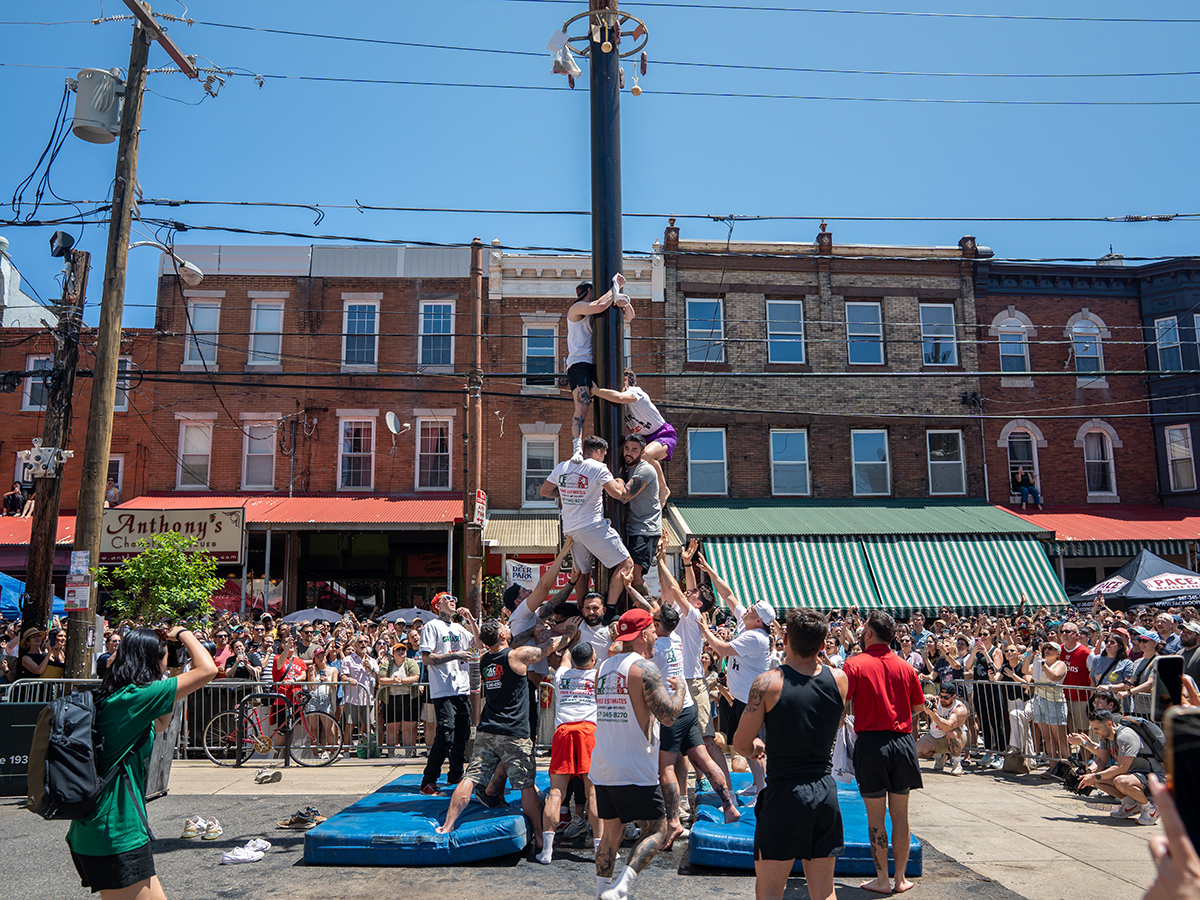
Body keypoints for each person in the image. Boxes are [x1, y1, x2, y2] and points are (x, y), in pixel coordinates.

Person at [65, 626, 217, 897]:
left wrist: (165, 678)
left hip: (96, 832)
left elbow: (160, 723)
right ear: (149, 660)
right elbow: (208, 670)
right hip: (117, 834)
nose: (166, 661)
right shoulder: (134, 698)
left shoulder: (120, 697)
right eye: (163, 657)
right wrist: (183, 633)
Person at [733, 609, 850, 900]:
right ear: (824, 644)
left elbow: (740, 743)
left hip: (785, 792)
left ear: (784, 639)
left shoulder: (768, 683)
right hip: (824, 791)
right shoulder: (840, 680)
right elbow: (833, 720)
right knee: (824, 891)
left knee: (770, 891)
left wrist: (755, 748)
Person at [437, 614, 576, 849]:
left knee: (471, 778)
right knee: (526, 785)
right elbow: (546, 648)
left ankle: (448, 825)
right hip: (514, 732)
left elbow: (508, 640)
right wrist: (570, 634)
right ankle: (541, 838)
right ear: (502, 635)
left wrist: (527, 632)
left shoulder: (485, 659)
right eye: (505, 628)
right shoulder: (517, 656)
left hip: (488, 729)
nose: (508, 628)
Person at [592, 608, 685, 900]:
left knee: (610, 833)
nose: (656, 634)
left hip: (604, 762)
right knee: (658, 830)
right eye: (653, 630)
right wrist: (681, 690)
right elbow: (669, 715)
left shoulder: (603, 666)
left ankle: (600, 892)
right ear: (644, 634)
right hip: (633, 765)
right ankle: (622, 887)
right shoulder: (644, 669)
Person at [843, 610, 925, 895]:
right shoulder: (905, 666)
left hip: (872, 744)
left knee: (875, 818)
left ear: (868, 634)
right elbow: (918, 707)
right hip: (902, 742)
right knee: (900, 815)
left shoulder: (854, 664)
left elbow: (842, 703)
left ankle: (882, 879)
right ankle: (900, 878)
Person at [652, 603, 740, 847]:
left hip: (672, 712)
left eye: (653, 621)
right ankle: (729, 806)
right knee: (705, 761)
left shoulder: (656, 648)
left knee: (666, 768)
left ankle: (673, 822)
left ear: (658, 625)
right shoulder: (677, 640)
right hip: (688, 707)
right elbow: (657, 612)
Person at [695, 552, 775, 800]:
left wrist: (705, 630)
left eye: (752, 609)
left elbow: (721, 649)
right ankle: (757, 785)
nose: (747, 608)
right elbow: (728, 594)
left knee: (753, 747)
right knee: (744, 745)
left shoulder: (757, 637)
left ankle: (762, 791)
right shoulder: (747, 624)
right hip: (740, 697)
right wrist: (710, 572)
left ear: (759, 619)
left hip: (753, 700)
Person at [540, 435, 634, 614]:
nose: (604, 458)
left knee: (582, 573)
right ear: (598, 453)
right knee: (626, 563)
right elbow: (617, 493)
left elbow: (544, 491)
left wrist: (570, 492)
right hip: (591, 526)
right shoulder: (598, 467)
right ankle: (611, 610)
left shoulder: (563, 466)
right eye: (604, 455)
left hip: (571, 529)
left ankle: (582, 614)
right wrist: (620, 481)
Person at [539, 640, 603, 863]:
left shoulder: (561, 676)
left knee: (556, 792)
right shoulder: (598, 676)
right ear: (593, 661)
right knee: (593, 792)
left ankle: (547, 851)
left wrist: (570, 638)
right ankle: (598, 850)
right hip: (588, 732)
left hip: (564, 732)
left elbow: (566, 659)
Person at [565, 277, 635, 464]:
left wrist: (622, 299)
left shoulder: (600, 309)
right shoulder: (577, 308)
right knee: (583, 406)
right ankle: (577, 449)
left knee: (615, 398)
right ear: (589, 292)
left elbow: (629, 317)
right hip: (580, 363)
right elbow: (597, 305)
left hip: (600, 363)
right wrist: (616, 287)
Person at [591, 370, 677, 506]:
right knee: (636, 458)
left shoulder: (636, 392)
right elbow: (628, 430)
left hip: (663, 433)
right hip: (643, 439)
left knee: (645, 455)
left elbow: (619, 397)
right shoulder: (622, 410)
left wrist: (595, 390)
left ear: (625, 380)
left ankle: (662, 489)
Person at [419, 592, 474, 793]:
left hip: (462, 686)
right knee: (446, 733)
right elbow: (426, 657)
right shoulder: (432, 626)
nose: (452, 601)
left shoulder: (460, 628)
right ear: (438, 606)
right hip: (443, 688)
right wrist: (454, 655)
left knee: (463, 732)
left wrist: (471, 620)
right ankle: (429, 780)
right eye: (447, 599)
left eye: (454, 598)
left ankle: (455, 774)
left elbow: (478, 643)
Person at [1071, 709, 1163, 826]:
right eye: (1092, 728)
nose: (1094, 732)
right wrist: (1088, 772)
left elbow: (1121, 768)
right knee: (1096, 780)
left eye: (1096, 728)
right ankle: (1131, 805)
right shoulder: (1105, 736)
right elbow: (1101, 760)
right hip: (1135, 775)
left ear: (1109, 723)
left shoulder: (1125, 736)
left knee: (1120, 781)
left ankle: (1150, 808)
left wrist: (1095, 776)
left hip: (1154, 777)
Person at [616, 435, 663, 590]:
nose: (629, 453)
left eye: (634, 450)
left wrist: (616, 482)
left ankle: (649, 612)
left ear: (642, 452)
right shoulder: (624, 468)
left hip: (645, 529)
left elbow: (624, 496)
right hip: (631, 528)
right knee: (626, 575)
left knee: (636, 577)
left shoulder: (645, 470)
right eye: (627, 448)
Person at [915, 683, 969, 776]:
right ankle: (940, 757)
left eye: (946, 697)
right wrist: (923, 698)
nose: (943, 700)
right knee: (915, 751)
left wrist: (933, 715)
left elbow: (948, 726)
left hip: (955, 738)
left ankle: (957, 764)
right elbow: (916, 701)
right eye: (941, 696)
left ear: (954, 697)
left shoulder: (959, 708)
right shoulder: (936, 701)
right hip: (935, 737)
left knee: (952, 733)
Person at [378, 641, 420, 756]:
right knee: (391, 727)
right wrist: (393, 681)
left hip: (408, 698)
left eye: (403, 649)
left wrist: (401, 681)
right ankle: (391, 753)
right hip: (391, 699)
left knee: (408, 727)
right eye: (398, 650)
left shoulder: (411, 662)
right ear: (393, 653)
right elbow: (381, 679)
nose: (401, 651)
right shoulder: (387, 664)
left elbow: (415, 677)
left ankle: (409, 752)